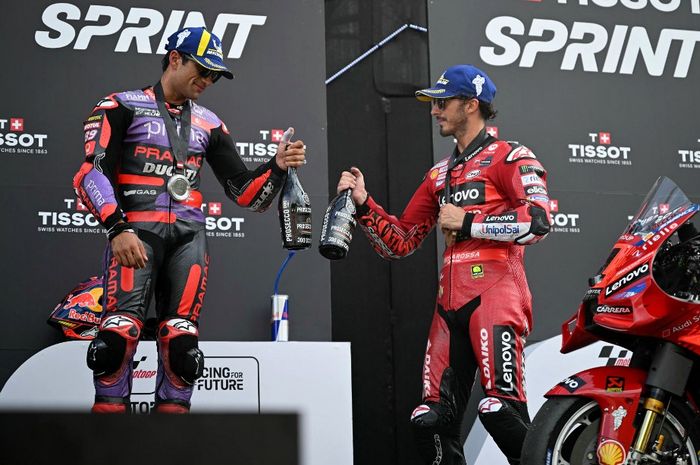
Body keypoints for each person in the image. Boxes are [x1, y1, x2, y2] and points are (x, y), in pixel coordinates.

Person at [73, 27, 305, 414]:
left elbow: (246, 194)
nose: (208, 80)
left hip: (189, 241)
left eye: (215, 75)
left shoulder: (211, 124)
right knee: (115, 343)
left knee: (183, 353)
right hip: (135, 237)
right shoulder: (120, 106)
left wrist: (277, 166)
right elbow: (90, 174)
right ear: (175, 59)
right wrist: (117, 227)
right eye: (203, 70)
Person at [336, 64, 551, 464]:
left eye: (442, 102)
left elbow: (538, 222)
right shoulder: (440, 174)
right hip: (448, 306)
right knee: (428, 419)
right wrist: (364, 204)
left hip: (496, 296)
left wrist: (469, 221)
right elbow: (401, 241)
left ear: (471, 105)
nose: (434, 110)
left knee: (500, 410)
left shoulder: (510, 156)